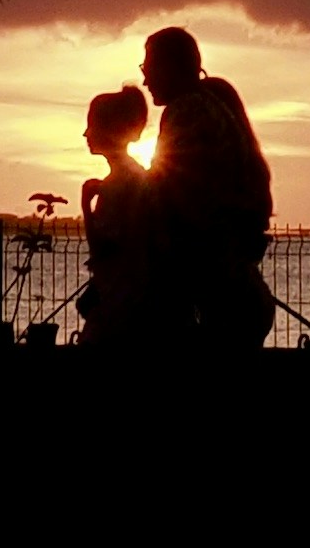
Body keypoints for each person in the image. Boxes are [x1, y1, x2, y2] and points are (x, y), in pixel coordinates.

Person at [140, 27, 279, 350]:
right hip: (240, 296)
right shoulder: (210, 105)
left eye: (148, 68)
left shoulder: (186, 110)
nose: (146, 80)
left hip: (223, 302)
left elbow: (168, 193)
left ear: (171, 67)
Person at [70, 87, 164, 346]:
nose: (86, 133)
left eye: (92, 125)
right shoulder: (135, 175)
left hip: (122, 304)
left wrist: (86, 208)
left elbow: (102, 248)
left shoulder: (118, 184)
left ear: (110, 129)